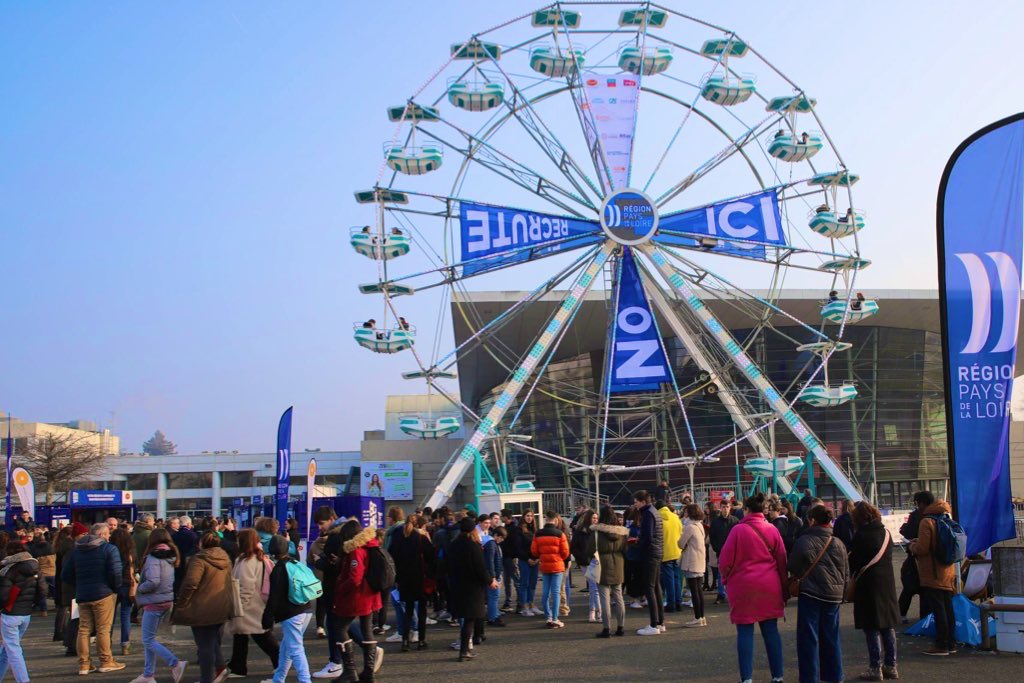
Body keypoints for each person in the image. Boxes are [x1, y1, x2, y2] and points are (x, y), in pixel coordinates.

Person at [718, 493, 787, 683]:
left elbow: (724, 561)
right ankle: (777, 676)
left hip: (743, 587)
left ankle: (747, 678)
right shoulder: (772, 529)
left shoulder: (738, 530)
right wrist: (784, 589)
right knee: (771, 632)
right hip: (769, 586)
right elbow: (782, 560)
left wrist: (727, 579)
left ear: (746, 510)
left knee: (745, 632)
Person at [788, 504, 849, 683]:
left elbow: (793, 565)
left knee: (809, 639)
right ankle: (835, 676)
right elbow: (845, 570)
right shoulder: (838, 542)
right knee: (831, 637)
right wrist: (844, 592)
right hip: (834, 595)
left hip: (811, 593)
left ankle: (810, 677)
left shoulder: (805, 540)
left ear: (812, 520)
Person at [61, 522, 126, 675]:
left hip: (83, 594)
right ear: (103, 535)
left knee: (83, 629)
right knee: (103, 629)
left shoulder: (77, 551)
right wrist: (115, 588)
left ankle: (84, 664)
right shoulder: (109, 549)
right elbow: (116, 573)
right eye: (108, 533)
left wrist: (79, 585)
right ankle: (106, 661)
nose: (109, 536)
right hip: (104, 593)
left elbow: (65, 575)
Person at [849, 501, 899, 681]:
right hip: (887, 582)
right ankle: (891, 665)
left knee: (871, 626)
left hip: (867, 583)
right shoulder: (886, 533)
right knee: (887, 625)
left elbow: (853, 562)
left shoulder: (860, 536)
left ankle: (875, 667)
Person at [173, 532, 233, 683]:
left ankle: (207, 678)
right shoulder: (225, 558)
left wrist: (182, 602)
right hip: (221, 605)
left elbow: (190, 583)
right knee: (212, 640)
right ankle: (220, 667)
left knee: (204, 645)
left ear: (201, 544)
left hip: (202, 607)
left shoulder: (199, 559)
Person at [132, 528, 187, 683]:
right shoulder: (170, 555)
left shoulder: (153, 558)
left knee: (148, 640)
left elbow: (153, 582)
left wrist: (140, 587)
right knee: (149, 639)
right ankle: (148, 674)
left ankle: (175, 663)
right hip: (165, 599)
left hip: (153, 601)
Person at [332, 519, 384, 682]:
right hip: (370, 595)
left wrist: (340, 588)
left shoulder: (356, 550)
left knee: (339, 627)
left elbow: (355, 578)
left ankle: (350, 669)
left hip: (357, 596)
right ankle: (368, 672)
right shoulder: (371, 545)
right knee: (366, 629)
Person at [227, 529, 279, 677]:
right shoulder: (255, 557)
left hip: (249, 606)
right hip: (255, 604)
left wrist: (238, 607)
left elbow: (245, 587)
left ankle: (279, 662)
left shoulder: (247, 561)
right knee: (244, 636)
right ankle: (238, 666)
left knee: (260, 636)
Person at [909, 497, 958, 656]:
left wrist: (912, 546)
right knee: (947, 607)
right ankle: (951, 642)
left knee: (938, 609)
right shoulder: (946, 518)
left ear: (926, 505)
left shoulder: (927, 522)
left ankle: (941, 644)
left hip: (933, 572)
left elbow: (923, 549)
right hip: (948, 570)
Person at [261, 535, 313, 683]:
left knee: (296, 649)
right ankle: (278, 678)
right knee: (286, 647)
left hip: (291, 614)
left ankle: (305, 680)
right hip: (306, 609)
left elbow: (274, 598)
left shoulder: (278, 569)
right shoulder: (295, 563)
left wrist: (267, 618)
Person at [448, 518, 495, 661]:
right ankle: (464, 651)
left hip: (457, 585)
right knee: (470, 619)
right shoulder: (473, 546)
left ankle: (464, 648)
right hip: (472, 587)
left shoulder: (454, 544)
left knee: (465, 619)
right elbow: (480, 568)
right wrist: (490, 581)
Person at [0, 539, 46, 682]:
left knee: (13, 651)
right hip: (25, 614)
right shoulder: (35, 566)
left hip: (10, 614)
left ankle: (23, 680)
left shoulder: (8, 570)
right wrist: (32, 604)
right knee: (9, 649)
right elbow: (43, 591)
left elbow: (3, 596)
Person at [390, 514, 436, 651]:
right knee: (421, 610)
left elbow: (392, 556)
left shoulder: (398, 538)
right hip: (420, 578)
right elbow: (432, 557)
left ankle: (405, 641)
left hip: (404, 578)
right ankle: (421, 640)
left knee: (407, 611)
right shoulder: (421, 539)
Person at [586, 505, 627, 638]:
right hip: (618, 562)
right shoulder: (622, 532)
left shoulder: (597, 532)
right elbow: (626, 549)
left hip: (602, 563)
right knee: (618, 595)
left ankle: (606, 628)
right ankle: (621, 627)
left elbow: (589, 550)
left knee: (604, 597)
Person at [632, 490, 664, 636]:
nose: (635, 504)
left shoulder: (647, 514)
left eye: (636, 501)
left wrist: (638, 544)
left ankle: (653, 624)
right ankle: (659, 622)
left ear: (643, 501)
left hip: (650, 554)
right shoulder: (654, 511)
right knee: (656, 587)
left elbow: (647, 536)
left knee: (649, 588)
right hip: (657, 552)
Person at [530, 510, 570, 628]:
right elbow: (565, 552)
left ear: (545, 519)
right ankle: (555, 618)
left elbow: (534, 551)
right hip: (557, 566)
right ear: (556, 520)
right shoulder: (560, 534)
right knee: (556, 592)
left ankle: (548, 616)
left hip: (545, 565)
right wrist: (558, 558)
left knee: (545, 592)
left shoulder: (538, 534)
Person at [898, 491, 931, 622]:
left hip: (916, 557)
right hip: (932, 561)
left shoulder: (918, 515)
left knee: (909, 587)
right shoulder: (941, 515)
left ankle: (901, 613)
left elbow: (909, 532)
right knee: (926, 590)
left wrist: (905, 529)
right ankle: (925, 618)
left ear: (922, 503)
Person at [678, 504, 707, 628]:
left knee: (694, 591)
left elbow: (680, 543)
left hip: (691, 561)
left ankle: (697, 617)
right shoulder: (699, 525)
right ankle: (701, 616)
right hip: (699, 561)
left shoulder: (689, 527)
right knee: (698, 591)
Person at [110, 527, 136, 656]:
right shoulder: (130, 552)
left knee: (110, 617)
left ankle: (107, 643)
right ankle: (125, 644)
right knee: (125, 615)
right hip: (127, 584)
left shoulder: (110, 551)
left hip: (113, 585)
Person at [570, 509, 600, 622]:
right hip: (585, 562)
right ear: (588, 519)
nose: (595, 520)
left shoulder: (599, 531)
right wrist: (582, 558)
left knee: (594, 588)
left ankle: (593, 612)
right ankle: (598, 612)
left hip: (597, 561)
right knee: (594, 587)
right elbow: (574, 547)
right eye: (593, 518)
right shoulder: (580, 531)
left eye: (596, 518)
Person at [709, 502, 737, 605]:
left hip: (733, 552)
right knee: (721, 574)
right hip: (721, 551)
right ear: (720, 508)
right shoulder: (715, 522)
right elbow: (712, 537)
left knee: (733, 574)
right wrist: (717, 548)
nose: (725, 509)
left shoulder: (735, 521)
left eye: (727, 507)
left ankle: (732, 594)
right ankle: (721, 594)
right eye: (723, 507)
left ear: (730, 508)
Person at [657, 501, 683, 613]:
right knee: (676, 579)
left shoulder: (657, 518)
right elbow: (681, 532)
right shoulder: (675, 517)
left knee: (669, 581)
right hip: (677, 551)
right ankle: (678, 602)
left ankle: (671, 604)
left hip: (665, 553)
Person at [513, 510, 538, 616]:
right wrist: (528, 559)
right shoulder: (518, 530)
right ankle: (524, 606)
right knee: (524, 583)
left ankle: (531, 604)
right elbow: (518, 548)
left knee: (532, 583)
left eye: (531, 516)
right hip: (524, 560)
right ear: (523, 517)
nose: (529, 518)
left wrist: (537, 559)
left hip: (535, 560)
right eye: (527, 516)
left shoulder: (534, 530)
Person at [27, 529, 55, 616]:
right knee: (54, 591)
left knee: (42, 592)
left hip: (41, 573)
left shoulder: (33, 549)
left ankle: (43, 610)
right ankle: (59, 605)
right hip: (52, 572)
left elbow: (33, 562)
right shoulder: (51, 547)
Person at [498, 510, 519, 612]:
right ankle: (508, 602)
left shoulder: (514, 528)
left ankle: (519, 602)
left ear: (506, 517)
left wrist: (514, 556)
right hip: (507, 557)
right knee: (508, 581)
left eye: (501, 516)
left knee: (515, 581)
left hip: (511, 557)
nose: (501, 518)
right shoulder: (508, 527)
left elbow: (514, 544)